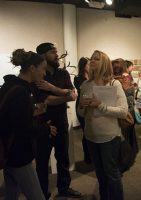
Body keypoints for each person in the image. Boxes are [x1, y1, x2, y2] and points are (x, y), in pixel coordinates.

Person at [0, 49, 57, 200]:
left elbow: (12, 118)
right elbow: (23, 128)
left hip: (7, 151)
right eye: (42, 69)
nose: (44, 74)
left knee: (11, 193)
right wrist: (45, 128)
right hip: (19, 154)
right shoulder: (21, 92)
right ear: (32, 68)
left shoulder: (8, 86)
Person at [31, 42, 81, 199]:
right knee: (42, 161)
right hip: (44, 124)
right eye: (52, 52)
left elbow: (73, 96)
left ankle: (64, 188)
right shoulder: (38, 75)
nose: (56, 54)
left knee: (63, 158)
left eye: (56, 51)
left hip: (61, 122)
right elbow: (47, 101)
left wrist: (53, 89)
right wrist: (64, 95)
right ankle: (42, 193)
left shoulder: (63, 74)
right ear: (42, 56)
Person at [78, 50, 128, 200]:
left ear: (104, 63)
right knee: (100, 174)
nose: (92, 61)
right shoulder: (86, 84)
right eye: (91, 59)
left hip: (109, 137)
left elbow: (123, 112)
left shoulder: (114, 83)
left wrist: (100, 105)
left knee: (112, 174)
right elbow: (81, 114)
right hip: (91, 136)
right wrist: (82, 106)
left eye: (96, 59)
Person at [74, 57, 91, 164]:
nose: (91, 66)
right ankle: (88, 157)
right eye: (88, 64)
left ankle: (93, 155)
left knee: (93, 130)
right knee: (86, 132)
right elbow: (83, 90)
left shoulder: (93, 77)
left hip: (92, 105)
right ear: (83, 66)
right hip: (82, 107)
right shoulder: (78, 78)